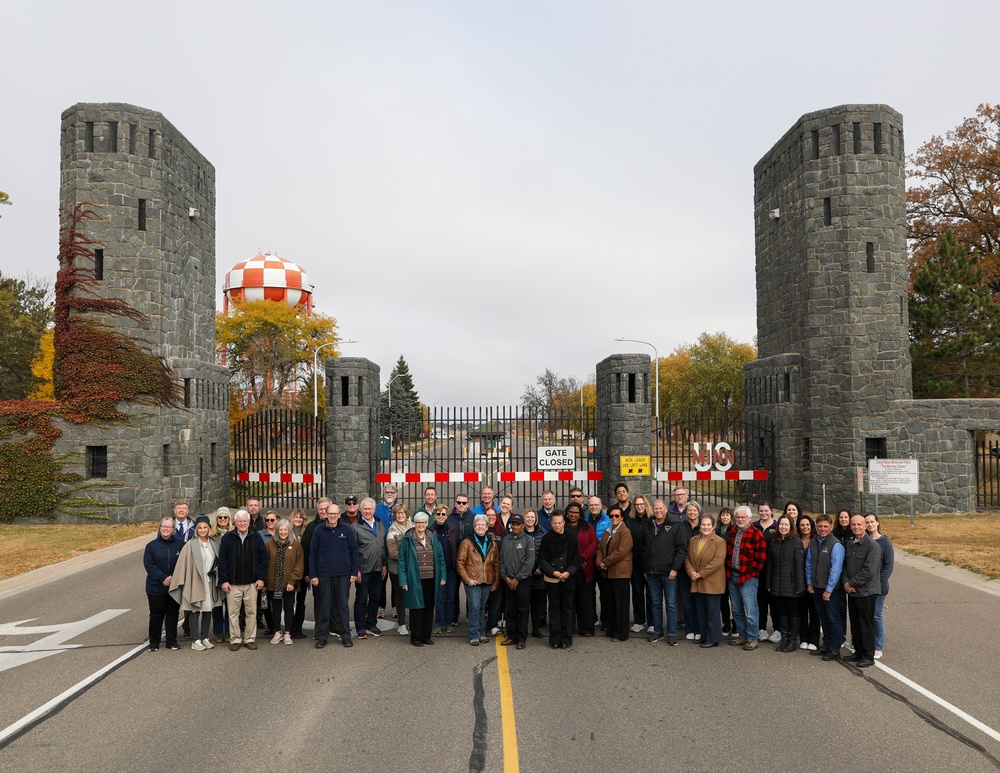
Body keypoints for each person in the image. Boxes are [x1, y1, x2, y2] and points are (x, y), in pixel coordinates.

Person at [310, 503, 359, 649]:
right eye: (329, 513)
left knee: (343, 606)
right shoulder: (319, 530)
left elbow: (354, 552)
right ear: (326, 514)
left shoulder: (347, 530)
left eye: (335, 513)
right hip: (324, 575)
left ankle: (345, 636)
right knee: (324, 606)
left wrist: (353, 572)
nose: (332, 516)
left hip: (343, 575)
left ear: (339, 515)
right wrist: (313, 575)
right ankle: (322, 636)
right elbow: (312, 554)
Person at [169, 515, 222, 651]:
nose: (203, 530)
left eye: (205, 527)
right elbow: (183, 565)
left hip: (210, 582)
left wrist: (217, 570)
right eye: (200, 528)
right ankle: (195, 640)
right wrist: (183, 582)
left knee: (208, 610)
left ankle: (204, 637)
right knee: (195, 610)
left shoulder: (213, 543)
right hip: (196, 581)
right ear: (196, 529)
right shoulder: (190, 545)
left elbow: (219, 560)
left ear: (209, 528)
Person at [218, 509, 268, 651]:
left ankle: (250, 639)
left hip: (252, 583)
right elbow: (222, 561)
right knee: (233, 613)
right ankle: (235, 639)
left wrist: (261, 578)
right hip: (232, 583)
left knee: (251, 612)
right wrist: (224, 580)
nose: (242, 523)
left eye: (245, 521)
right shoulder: (227, 538)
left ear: (248, 522)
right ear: (235, 522)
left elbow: (263, 559)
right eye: (239, 521)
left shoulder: (256, 537)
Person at [397, 512, 446, 647]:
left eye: (423, 522)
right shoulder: (407, 539)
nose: (421, 525)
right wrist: (403, 581)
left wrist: (443, 576)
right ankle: (416, 637)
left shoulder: (433, 537)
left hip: (431, 578)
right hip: (414, 579)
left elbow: (441, 557)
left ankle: (426, 636)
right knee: (416, 608)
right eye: (418, 522)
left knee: (429, 607)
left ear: (426, 524)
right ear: (414, 524)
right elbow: (401, 561)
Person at [643, 499, 686, 645]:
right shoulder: (648, 525)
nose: (658, 511)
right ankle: (658, 631)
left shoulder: (674, 526)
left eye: (660, 508)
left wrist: (675, 568)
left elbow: (681, 549)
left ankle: (672, 633)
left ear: (666, 509)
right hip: (652, 572)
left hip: (669, 573)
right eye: (655, 508)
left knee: (671, 604)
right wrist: (645, 568)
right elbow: (643, 548)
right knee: (655, 603)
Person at [725, 505, 767, 651]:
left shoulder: (756, 534)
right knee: (736, 609)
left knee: (750, 610)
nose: (741, 519)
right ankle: (742, 635)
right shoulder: (733, 531)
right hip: (733, 575)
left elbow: (760, 558)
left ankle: (752, 638)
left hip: (748, 577)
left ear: (749, 518)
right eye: (738, 517)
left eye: (743, 517)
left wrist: (751, 574)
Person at [538, 511, 581, 649]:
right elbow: (542, 560)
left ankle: (566, 638)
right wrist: (553, 572)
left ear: (564, 523)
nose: (557, 525)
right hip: (552, 579)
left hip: (568, 578)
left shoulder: (571, 537)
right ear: (551, 524)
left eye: (559, 523)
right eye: (554, 523)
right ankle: (554, 638)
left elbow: (576, 557)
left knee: (567, 608)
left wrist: (569, 572)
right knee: (554, 608)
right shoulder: (547, 538)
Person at [842, 514, 881, 668]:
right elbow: (845, 566)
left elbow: (869, 570)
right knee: (855, 623)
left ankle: (868, 655)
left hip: (866, 592)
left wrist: (851, 583)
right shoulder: (850, 543)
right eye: (853, 525)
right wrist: (846, 583)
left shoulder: (872, 546)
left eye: (859, 524)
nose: (856, 527)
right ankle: (858, 651)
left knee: (866, 624)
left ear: (865, 526)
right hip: (852, 591)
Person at [456, 514, 500, 646]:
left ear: (487, 527)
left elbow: (497, 564)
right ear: (474, 527)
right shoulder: (466, 543)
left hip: (487, 580)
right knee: (474, 607)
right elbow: (460, 563)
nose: (480, 527)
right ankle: (473, 634)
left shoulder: (492, 543)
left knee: (482, 608)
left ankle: (481, 633)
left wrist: (496, 581)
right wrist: (467, 579)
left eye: (483, 525)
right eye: (478, 525)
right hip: (472, 581)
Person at [808, 514, 846, 661]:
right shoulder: (813, 542)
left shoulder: (836, 545)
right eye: (820, 526)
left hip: (831, 591)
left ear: (830, 527)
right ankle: (826, 645)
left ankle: (835, 649)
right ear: (816, 527)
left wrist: (829, 590)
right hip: (816, 587)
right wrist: (809, 582)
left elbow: (836, 570)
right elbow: (809, 564)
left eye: (825, 526)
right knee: (823, 618)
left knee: (833, 619)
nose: (822, 529)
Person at [685, 513, 726, 648]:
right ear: (699, 525)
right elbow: (687, 558)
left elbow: (717, 562)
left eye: (708, 525)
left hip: (712, 581)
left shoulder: (719, 541)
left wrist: (700, 574)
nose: (706, 527)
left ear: (713, 526)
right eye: (703, 524)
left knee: (712, 612)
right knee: (701, 611)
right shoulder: (693, 540)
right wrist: (691, 571)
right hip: (697, 580)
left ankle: (713, 638)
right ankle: (704, 636)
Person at [766, 513, 805, 652]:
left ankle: (792, 641)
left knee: (793, 612)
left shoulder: (796, 542)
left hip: (792, 584)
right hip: (777, 584)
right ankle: (784, 640)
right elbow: (770, 564)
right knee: (781, 611)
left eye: (786, 524)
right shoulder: (774, 542)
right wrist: (769, 583)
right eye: (781, 524)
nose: (783, 527)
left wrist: (800, 586)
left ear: (791, 526)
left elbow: (799, 565)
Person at [143, 518, 183, 652]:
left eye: (169, 527)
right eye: (163, 527)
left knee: (173, 614)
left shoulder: (180, 545)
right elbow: (149, 564)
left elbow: (182, 564)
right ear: (160, 528)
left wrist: (173, 577)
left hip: (174, 585)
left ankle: (171, 641)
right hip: (156, 587)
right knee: (156, 614)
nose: (166, 529)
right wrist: (162, 578)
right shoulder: (151, 546)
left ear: (173, 530)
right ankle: (154, 642)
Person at [499, 513, 536, 650]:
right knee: (510, 610)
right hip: (508, 580)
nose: (515, 526)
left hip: (523, 581)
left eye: (517, 524)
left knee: (523, 610)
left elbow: (529, 563)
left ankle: (521, 638)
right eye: (513, 524)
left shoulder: (528, 540)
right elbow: (502, 559)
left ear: (522, 525)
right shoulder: (506, 539)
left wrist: (517, 579)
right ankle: (512, 636)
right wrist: (506, 577)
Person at [597, 505, 633, 641]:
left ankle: (621, 633)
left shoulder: (625, 532)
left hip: (620, 573)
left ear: (622, 517)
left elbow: (621, 552)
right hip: (607, 573)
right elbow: (600, 548)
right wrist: (599, 562)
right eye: (611, 516)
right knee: (610, 603)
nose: (614, 518)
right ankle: (611, 630)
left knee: (621, 604)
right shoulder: (608, 531)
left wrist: (604, 562)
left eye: (617, 516)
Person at [353, 497, 388, 640]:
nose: (367, 511)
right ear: (361, 510)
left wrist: (384, 564)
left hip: (378, 568)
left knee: (375, 598)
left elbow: (384, 545)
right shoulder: (355, 526)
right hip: (363, 570)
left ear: (374, 510)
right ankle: (360, 627)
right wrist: (356, 569)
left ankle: (371, 624)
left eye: (370, 509)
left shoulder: (380, 524)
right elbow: (352, 550)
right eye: (365, 509)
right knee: (361, 599)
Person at [265, 518, 304, 645]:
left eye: (285, 529)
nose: (282, 532)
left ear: (289, 530)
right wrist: (265, 582)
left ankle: (287, 633)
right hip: (273, 583)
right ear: (277, 531)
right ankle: (277, 632)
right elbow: (265, 563)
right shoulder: (270, 544)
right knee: (275, 609)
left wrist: (292, 581)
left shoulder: (296, 545)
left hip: (289, 584)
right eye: (280, 529)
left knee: (288, 608)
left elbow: (299, 565)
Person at [565, 501, 598, 637]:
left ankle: (586, 628)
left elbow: (594, 543)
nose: (573, 515)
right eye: (571, 512)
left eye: (576, 513)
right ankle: (569, 627)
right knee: (569, 600)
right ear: (567, 513)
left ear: (580, 515)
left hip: (585, 567)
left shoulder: (587, 527)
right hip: (568, 568)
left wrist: (583, 558)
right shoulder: (563, 526)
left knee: (585, 600)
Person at [865, 513, 894, 659]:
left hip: (879, 587)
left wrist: (878, 583)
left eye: (872, 522)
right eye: (867, 522)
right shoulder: (864, 540)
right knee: (866, 616)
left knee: (876, 615)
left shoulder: (885, 543)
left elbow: (888, 567)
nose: (869, 524)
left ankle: (878, 646)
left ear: (877, 523)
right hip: (864, 587)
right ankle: (866, 642)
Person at [301, 497, 330, 637]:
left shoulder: (338, 524)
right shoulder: (311, 527)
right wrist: (308, 572)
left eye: (326, 509)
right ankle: (320, 630)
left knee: (335, 602)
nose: (324, 511)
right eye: (321, 509)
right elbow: (305, 551)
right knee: (319, 602)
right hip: (317, 572)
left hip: (335, 572)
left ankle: (333, 627)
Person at [431, 505, 460, 633]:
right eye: (438, 514)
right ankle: (439, 623)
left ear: (447, 516)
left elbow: (457, 547)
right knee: (439, 597)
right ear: (434, 515)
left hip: (451, 569)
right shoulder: (430, 530)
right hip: (437, 570)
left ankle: (448, 622)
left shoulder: (453, 529)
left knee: (450, 597)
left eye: (443, 514)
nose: (441, 516)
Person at [754, 502, 780, 643]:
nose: (763, 513)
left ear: (771, 511)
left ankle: (777, 629)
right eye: (761, 510)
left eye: (766, 510)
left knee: (774, 600)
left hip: (774, 570)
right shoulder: (754, 526)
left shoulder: (777, 527)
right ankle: (761, 628)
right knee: (760, 600)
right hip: (758, 570)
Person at [678, 501, 703, 640]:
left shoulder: (703, 526)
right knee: (686, 600)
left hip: (700, 571)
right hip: (684, 569)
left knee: (698, 600)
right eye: (689, 510)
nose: (692, 512)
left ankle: (699, 628)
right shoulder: (681, 527)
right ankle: (689, 628)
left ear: (698, 512)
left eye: (694, 510)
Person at [625, 493, 650, 634]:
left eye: (642, 504)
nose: (639, 506)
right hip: (634, 562)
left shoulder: (652, 519)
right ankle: (639, 620)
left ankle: (652, 622)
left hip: (649, 562)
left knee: (652, 594)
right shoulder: (630, 520)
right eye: (637, 504)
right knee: (637, 592)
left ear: (646, 505)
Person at [386, 503, 412, 636]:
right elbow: (393, 553)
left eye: (402, 512)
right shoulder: (392, 531)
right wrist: (410, 557)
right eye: (398, 513)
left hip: (412, 569)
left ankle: (413, 622)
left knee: (413, 595)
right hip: (397, 569)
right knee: (400, 596)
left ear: (407, 514)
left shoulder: (412, 526)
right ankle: (402, 623)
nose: (400, 515)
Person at [796, 514, 820, 650]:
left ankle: (814, 640)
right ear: (798, 527)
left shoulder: (816, 541)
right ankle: (803, 637)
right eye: (802, 525)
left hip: (814, 581)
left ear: (811, 526)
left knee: (815, 611)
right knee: (802, 611)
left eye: (807, 525)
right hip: (800, 581)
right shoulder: (795, 541)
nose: (805, 527)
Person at [522, 510, 547, 638]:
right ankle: (523, 628)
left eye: (533, 517)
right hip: (524, 575)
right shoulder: (520, 534)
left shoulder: (543, 534)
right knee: (524, 604)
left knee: (537, 605)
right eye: (528, 517)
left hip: (539, 574)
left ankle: (536, 628)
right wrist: (529, 570)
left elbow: (546, 553)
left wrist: (540, 568)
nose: (530, 519)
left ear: (536, 519)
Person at [210, 507, 233, 643]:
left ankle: (229, 631)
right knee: (217, 605)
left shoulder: (234, 533)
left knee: (230, 606)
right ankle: (219, 632)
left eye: (225, 517)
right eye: (220, 517)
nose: (223, 520)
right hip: (215, 575)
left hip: (230, 575)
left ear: (229, 519)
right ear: (217, 519)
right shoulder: (212, 535)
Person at [715, 507, 735, 635]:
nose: (725, 517)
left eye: (728, 515)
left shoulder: (735, 530)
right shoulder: (716, 531)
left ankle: (736, 623)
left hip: (732, 569)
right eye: (723, 515)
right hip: (720, 569)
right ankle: (726, 623)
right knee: (723, 598)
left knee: (735, 599)